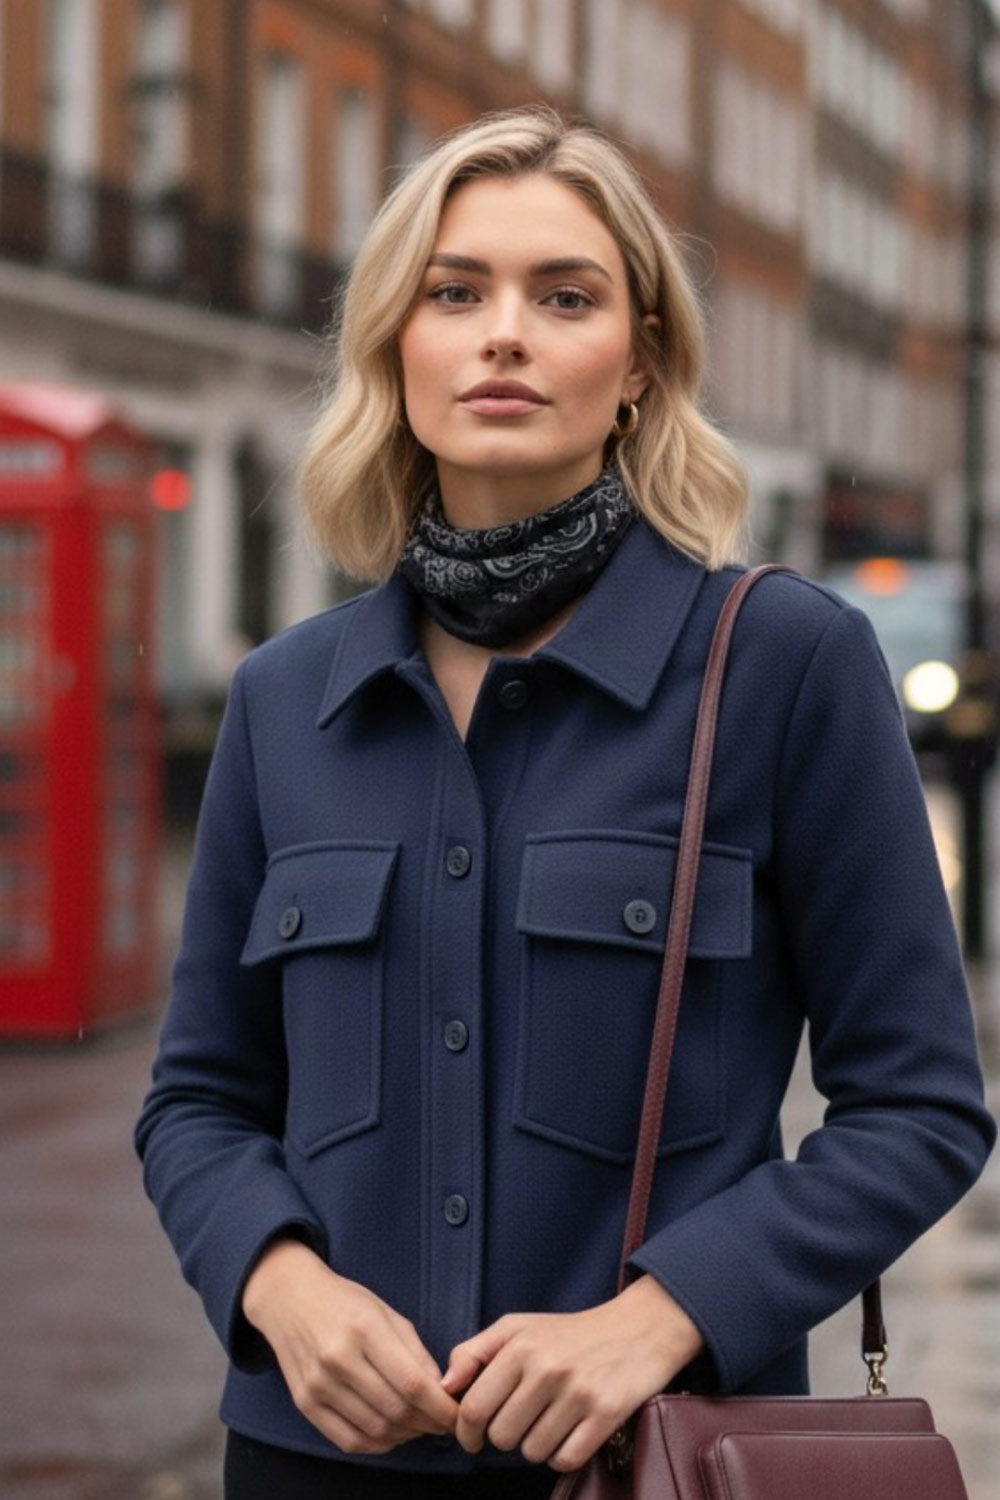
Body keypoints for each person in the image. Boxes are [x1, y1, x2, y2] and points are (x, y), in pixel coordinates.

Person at [135, 107, 995, 1499]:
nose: (503, 334)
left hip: (655, 1461)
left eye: (567, 295)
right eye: (453, 290)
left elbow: (920, 1106)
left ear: (642, 362)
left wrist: (662, 1316)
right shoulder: (286, 701)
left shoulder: (781, 665)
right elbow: (200, 1100)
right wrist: (284, 1288)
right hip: (309, 1463)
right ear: (392, 345)